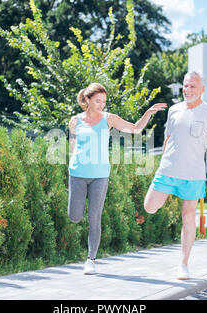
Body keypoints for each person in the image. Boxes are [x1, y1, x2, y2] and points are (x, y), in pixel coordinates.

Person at [68, 83, 166, 275]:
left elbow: (136, 129)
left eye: (103, 101)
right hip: (77, 174)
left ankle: (91, 260)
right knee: (75, 216)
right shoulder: (74, 121)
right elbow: (73, 145)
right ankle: (86, 249)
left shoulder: (108, 118)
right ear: (87, 100)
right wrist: (75, 163)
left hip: (100, 176)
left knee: (94, 217)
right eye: (97, 101)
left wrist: (148, 113)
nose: (101, 105)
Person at [143, 71, 207, 280]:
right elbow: (168, 138)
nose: (187, 90)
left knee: (188, 217)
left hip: (193, 175)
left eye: (192, 86)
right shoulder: (174, 110)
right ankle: (169, 194)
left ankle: (183, 264)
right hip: (168, 171)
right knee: (149, 207)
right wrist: (163, 162)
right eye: (185, 86)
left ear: (202, 89)